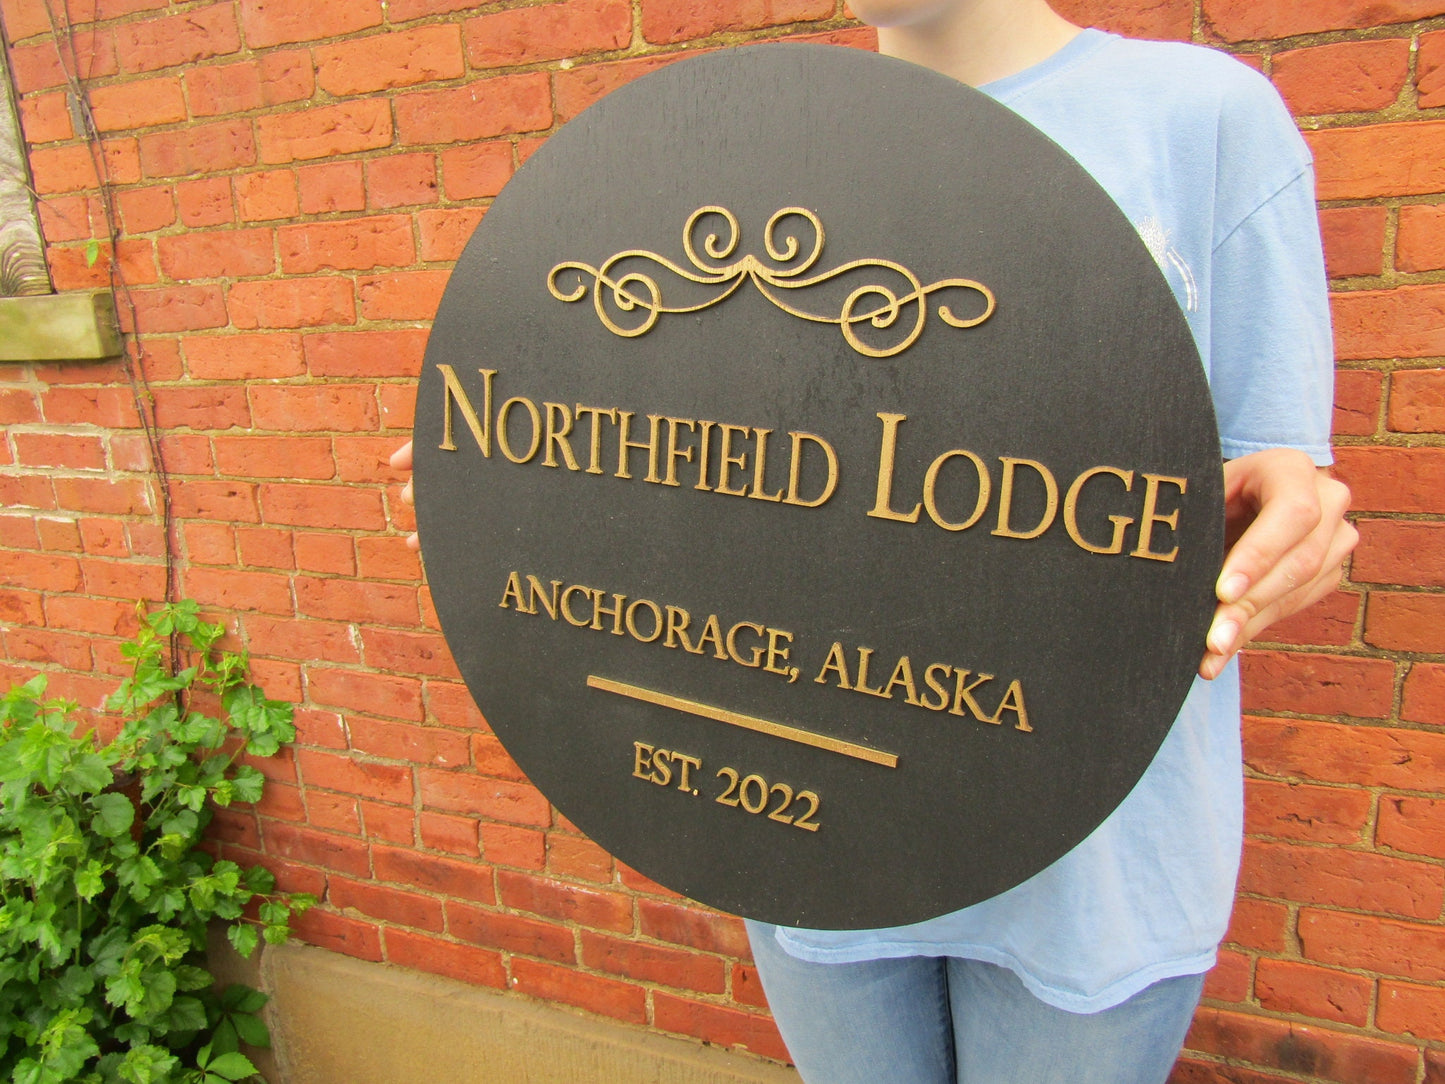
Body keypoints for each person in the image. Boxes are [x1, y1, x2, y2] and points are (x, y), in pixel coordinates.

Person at [391, 1, 1357, 1079]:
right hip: (806, 808)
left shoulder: (1203, 120)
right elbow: (705, 457)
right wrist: (507, 484)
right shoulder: (773, 152)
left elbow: (1272, 487)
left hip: (1094, 875)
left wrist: (1294, 532)